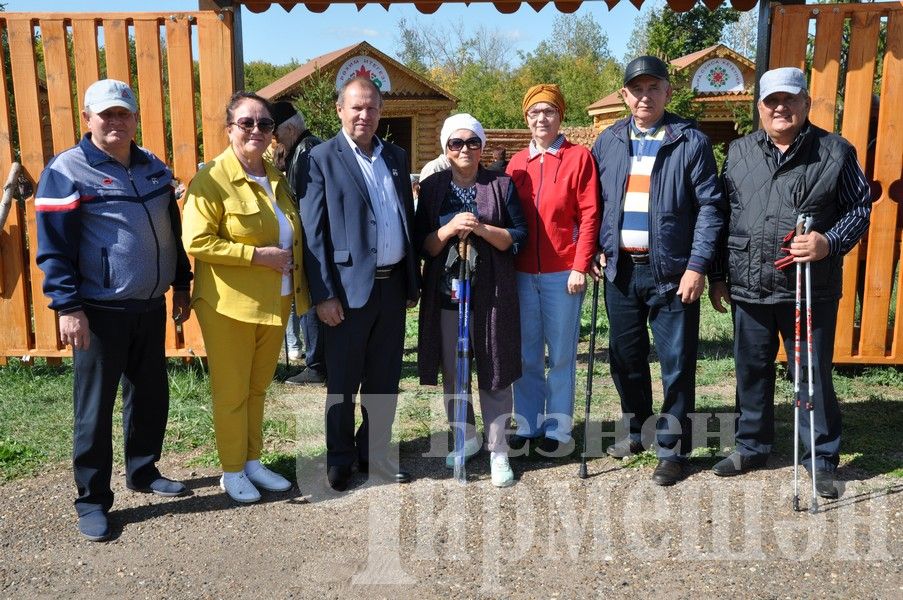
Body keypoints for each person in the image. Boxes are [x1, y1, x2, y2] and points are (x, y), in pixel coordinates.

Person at [35, 79, 192, 541]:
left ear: (135, 118)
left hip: (149, 305)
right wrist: (67, 307)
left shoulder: (154, 169)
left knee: (149, 395)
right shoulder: (68, 170)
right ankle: (91, 499)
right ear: (88, 119)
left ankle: (142, 471)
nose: (115, 121)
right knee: (94, 408)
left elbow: (172, 230)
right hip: (98, 311)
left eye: (123, 113)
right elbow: (53, 249)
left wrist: (180, 283)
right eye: (106, 114)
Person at [709, 67, 871, 499]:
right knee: (750, 370)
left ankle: (820, 458)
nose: (780, 108)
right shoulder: (739, 152)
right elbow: (723, 218)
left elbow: (860, 208)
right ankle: (751, 446)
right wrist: (719, 276)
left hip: (807, 286)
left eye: (790, 99)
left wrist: (827, 241)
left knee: (811, 374)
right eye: (771, 101)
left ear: (806, 103)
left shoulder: (835, 151)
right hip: (748, 282)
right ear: (759, 107)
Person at [590, 56, 725, 486]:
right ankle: (638, 429)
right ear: (625, 95)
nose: (644, 96)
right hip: (621, 271)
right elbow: (595, 204)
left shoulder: (691, 142)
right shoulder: (608, 141)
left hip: (672, 272)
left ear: (668, 92)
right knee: (625, 359)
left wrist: (697, 266)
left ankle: (673, 448)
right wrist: (595, 247)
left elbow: (710, 207)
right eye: (637, 89)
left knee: (676, 363)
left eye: (654, 88)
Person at [182, 91, 311, 503]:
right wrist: (256, 256)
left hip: (276, 300)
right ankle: (232, 469)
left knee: (257, 390)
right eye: (247, 123)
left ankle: (253, 461)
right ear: (230, 128)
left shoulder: (275, 176)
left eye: (265, 124)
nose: (257, 130)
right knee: (232, 392)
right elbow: (197, 240)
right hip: (229, 305)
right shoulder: (212, 179)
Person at [300, 77, 420, 492]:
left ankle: (375, 454)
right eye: (356, 107)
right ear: (339, 110)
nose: (364, 115)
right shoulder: (321, 158)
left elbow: (404, 215)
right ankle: (340, 459)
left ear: (381, 112)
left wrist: (411, 280)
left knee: (384, 380)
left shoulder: (396, 156)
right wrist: (324, 294)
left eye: (371, 108)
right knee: (343, 381)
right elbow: (313, 234)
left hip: (391, 287)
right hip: (346, 293)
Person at [414, 113, 527, 487]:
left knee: (494, 368)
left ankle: (498, 450)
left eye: (472, 142)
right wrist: (448, 229)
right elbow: (423, 245)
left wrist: (480, 228)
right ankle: (465, 436)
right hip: (447, 292)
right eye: (456, 143)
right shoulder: (431, 188)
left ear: (481, 146)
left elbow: (517, 236)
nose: (464, 149)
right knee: (454, 370)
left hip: (491, 292)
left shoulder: (501, 184)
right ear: (446, 149)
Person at [507, 84, 600, 455]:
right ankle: (528, 423)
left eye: (549, 112)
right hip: (522, 272)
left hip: (564, 272)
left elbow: (591, 214)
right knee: (527, 353)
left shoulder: (579, 158)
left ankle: (558, 428)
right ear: (526, 119)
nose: (541, 119)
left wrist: (581, 263)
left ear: (560, 116)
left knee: (561, 354)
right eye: (534, 113)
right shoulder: (516, 164)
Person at [271, 101, 326, 385]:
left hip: (310, 242)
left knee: (309, 302)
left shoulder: (306, 152)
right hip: (310, 240)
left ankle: (316, 365)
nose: (273, 138)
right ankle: (317, 362)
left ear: (291, 128)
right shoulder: (306, 148)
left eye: (276, 132)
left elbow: (305, 204)